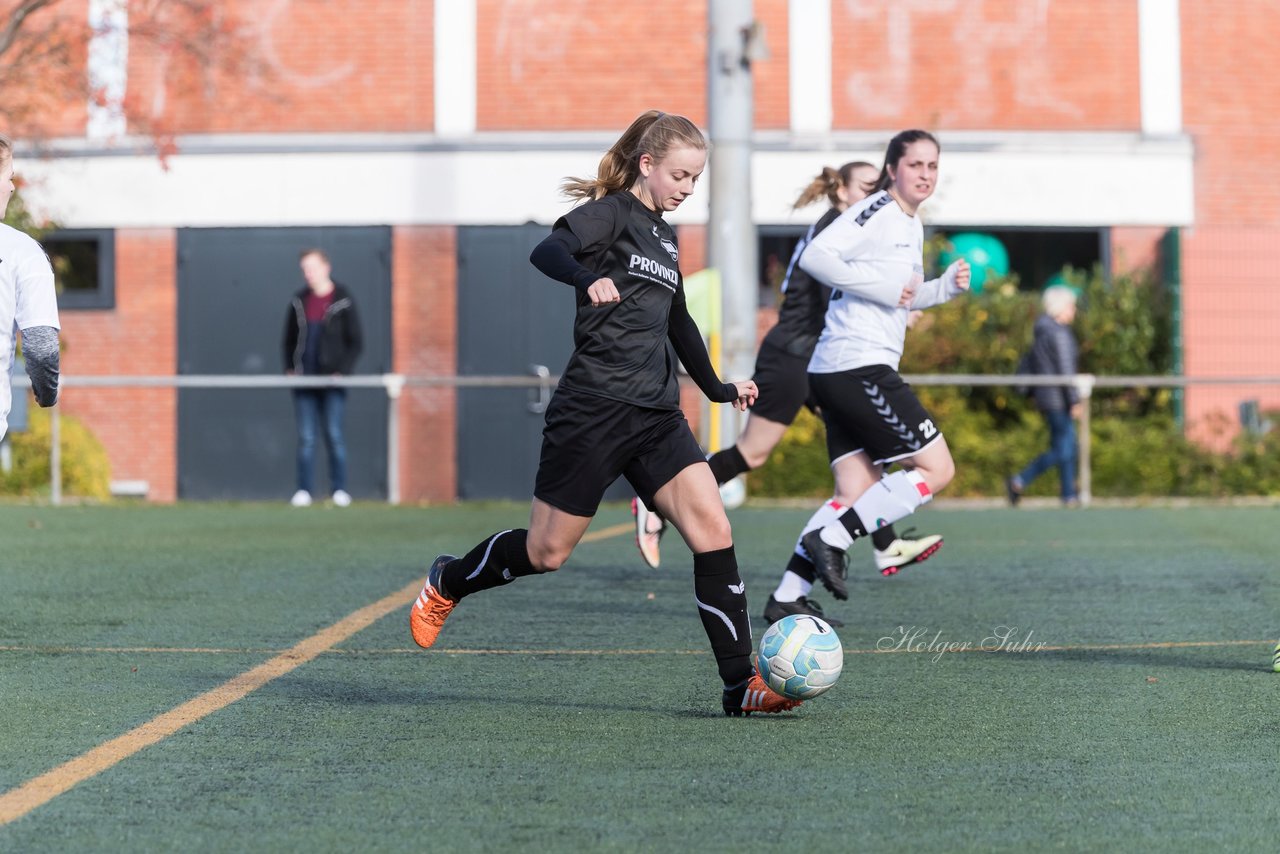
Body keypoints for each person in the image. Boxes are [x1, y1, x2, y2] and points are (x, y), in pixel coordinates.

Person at [409, 110, 801, 717]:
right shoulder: (611, 213)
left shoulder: (665, 238)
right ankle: (450, 580)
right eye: (680, 175)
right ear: (648, 165)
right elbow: (548, 250)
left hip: (656, 417)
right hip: (592, 410)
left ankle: (739, 686)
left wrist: (718, 389)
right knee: (546, 554)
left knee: (714, 533)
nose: (687, 189)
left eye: (695, 179)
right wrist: (586, 276)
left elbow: (679, 323)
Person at [633, 162, 945, 616]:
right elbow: (843, 292)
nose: (875, 196)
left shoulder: (845, 226)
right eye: (867, 187)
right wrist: (895, 300)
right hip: (798, 357)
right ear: (840, 189)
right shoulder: (838, 230)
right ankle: (660, 500)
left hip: (814, 356)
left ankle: (820, 577)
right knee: (760, 455)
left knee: (858, 471)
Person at [789, 129, 971, 602]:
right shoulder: (879, 209)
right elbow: (816, 256)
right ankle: (839, 539)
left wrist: (944, 287)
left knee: (855, 489)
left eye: (933, 166)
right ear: (893, 169)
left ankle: (787, 594)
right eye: (916, 165)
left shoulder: (911, 223)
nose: (925, 174)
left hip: (840, 368)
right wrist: (884, 289)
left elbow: (900, 297)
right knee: (938, 468)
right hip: (858, 365)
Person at [282, 248, 362, 507]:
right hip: (305, 382)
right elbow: (288, 340)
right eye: (304, 268)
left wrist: (343, 370)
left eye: (312, 267)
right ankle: (304, 490)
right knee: (306, 437)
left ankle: (339, 490)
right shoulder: (299, 301)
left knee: (334, 434)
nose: (308, 273)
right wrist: (290, 368)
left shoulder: (343, 299)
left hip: (332, 381)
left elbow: (356, 341)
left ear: (326, 267)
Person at [0, 134, 60, 441]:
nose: (11, 187)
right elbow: (40, 346)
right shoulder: (20, 251)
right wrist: (47, 392)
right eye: (8, 177)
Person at [1007, 285, 1081, 507]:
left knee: (1068, 445)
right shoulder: (1058, 332)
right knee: (1064, 448)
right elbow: (1065, 369)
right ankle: (1020, 479)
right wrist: (1075, 400)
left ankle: (1068, 494)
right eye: (1071, 306)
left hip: (1048, 397)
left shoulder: (1042, 330)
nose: (1074, 311)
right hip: (1058, 398)